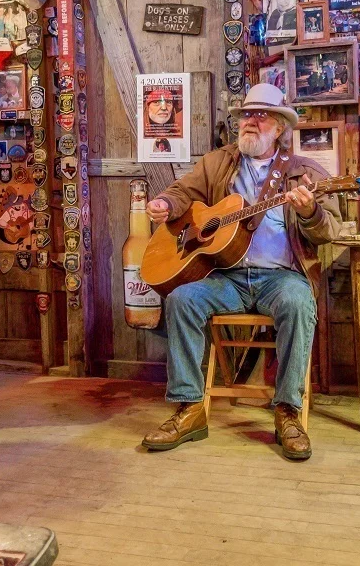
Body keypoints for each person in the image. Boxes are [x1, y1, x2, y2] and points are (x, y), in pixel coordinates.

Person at [141, 83, 341, 460]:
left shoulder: (305, 172)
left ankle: (287, 412)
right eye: (246, 115)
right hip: (227, 277)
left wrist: (310, 212)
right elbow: (183, 192)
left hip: (279, 278)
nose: (250, 122)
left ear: (280, 127)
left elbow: (331, 230)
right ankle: (189, 409)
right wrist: (166, 204)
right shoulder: (218, 162)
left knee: (299, 302)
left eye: (260, 115)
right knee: (182, 299)